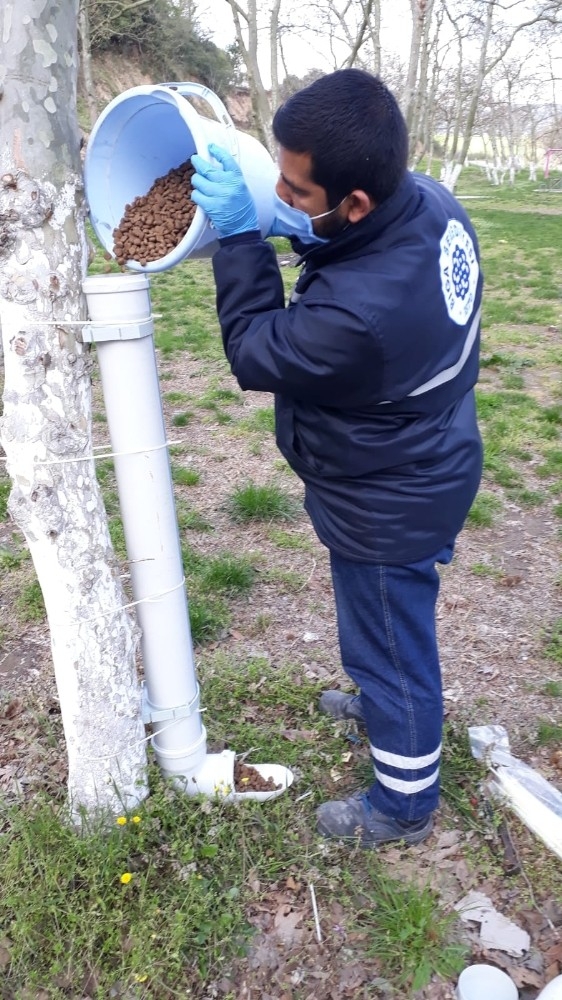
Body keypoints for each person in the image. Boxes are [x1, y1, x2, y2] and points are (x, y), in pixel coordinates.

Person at [190, 68, 483, 847]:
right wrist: (296, 226)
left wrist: (242, 238)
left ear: (355, 201)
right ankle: (382, 702)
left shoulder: (360, 317)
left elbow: (256, 351)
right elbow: (353, 253)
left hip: (390, 500)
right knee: (387, 630)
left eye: (295, 191)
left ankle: (405, 802)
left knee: (389, 642)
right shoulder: (426, 200)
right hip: (428, 454)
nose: (282, 197)